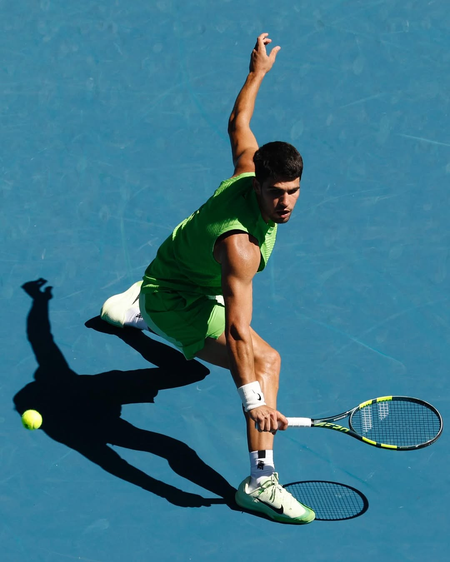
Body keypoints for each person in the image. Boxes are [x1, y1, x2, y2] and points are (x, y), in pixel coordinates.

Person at [101, 33, 314, 524]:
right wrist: (253, 401)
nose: (285, 203)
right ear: (259, 185)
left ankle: (131, 308)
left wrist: (256, 74)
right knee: (266, 361)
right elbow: (238, 331)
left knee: (194, 370)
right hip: (178, 298)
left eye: (294, 191)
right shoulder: (240, 247)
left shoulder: (247, 169)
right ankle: (260, 482)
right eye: (276, 192)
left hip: (179, 272)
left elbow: (239, 121)